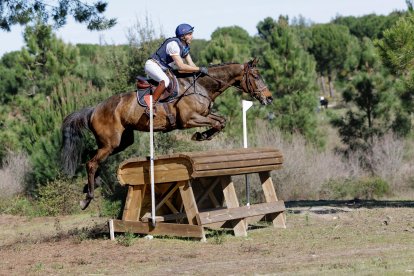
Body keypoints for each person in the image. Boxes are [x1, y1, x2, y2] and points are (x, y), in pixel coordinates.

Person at [144, 23, 208, 115]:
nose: (192, 37)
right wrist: (199, 69)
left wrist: (199, 72)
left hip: (163, 68)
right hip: (152, 65)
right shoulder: (173, 45)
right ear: (182, 36)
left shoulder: (185, 47)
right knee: (165, 81)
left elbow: (191, 65)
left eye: (191, 34)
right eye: (189, 34)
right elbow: (181, 66)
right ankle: (150, 104)